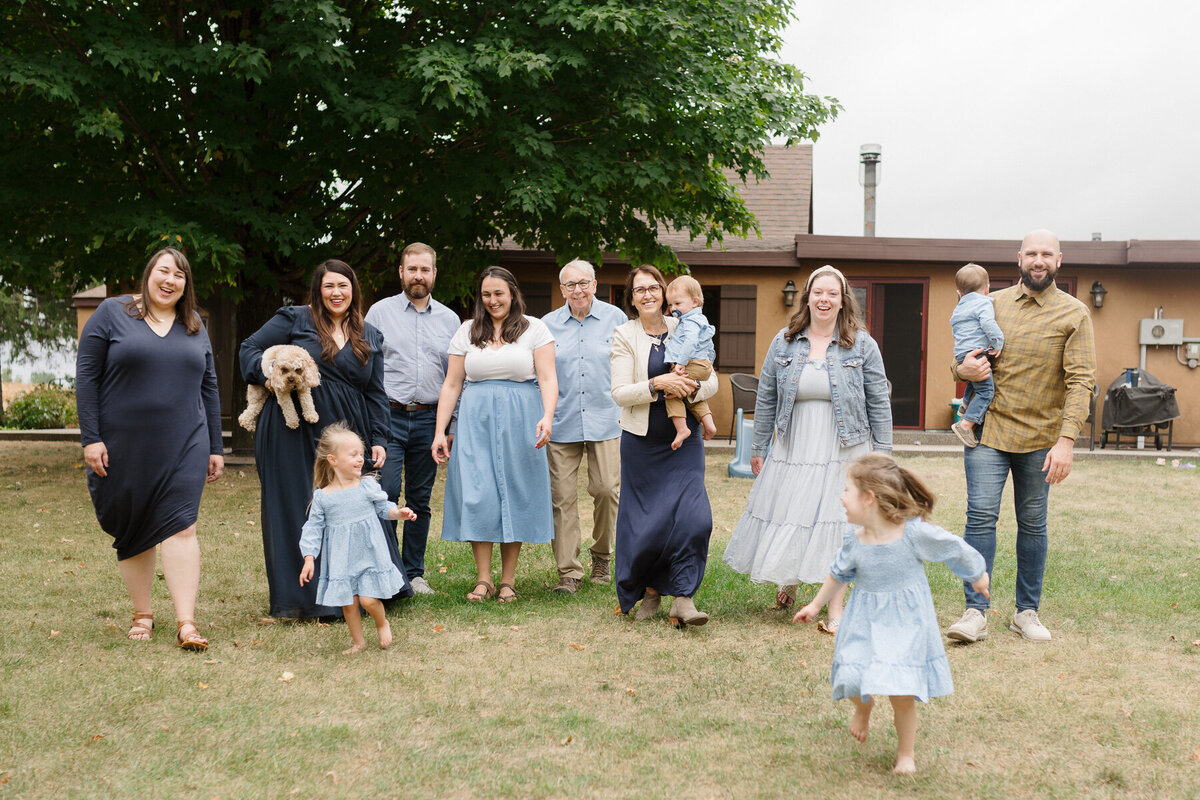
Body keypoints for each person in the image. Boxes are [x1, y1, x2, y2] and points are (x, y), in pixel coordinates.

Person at [794, 453, 990, 776]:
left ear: (869, 499)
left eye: (847, 491)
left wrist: (977, 573)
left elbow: (951, 546)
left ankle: (906, 754)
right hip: (864, 620)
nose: (841, 498)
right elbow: (838, 573)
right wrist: (815, 605)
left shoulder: (912, 534)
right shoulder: (854, 541)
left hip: (906, 625)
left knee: (902, 694)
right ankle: (863, 708)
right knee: (852, 674)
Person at [946, 229, 1095, 643]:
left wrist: (1066, 442)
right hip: (989, 434)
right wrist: (962, 371)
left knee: (1032, 525)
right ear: (1019, 258)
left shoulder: (1075, 314)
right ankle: (974, 612)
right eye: (1032, 253)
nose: (1039, 260)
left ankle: (1025, 612)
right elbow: (959, 358)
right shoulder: (988, 303)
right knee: (979, 520)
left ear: (1059, 260)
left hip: (1041, 439)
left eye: (1047, 253)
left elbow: (1081, 381)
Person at [723, 265, 892, 631]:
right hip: (795, 443)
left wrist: (884, 452)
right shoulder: (784, 340)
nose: (825, 299)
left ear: (843, 300)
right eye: (819, 292)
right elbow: (766, 394)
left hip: (845, 444)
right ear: (808, 298)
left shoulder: (862, 344)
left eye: (833, 293)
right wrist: (759, 444)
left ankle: (834, 610)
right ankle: (789, 577)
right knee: (794, 512)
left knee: (836, 521)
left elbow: (879, 399)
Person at [240, 259, 410, 619]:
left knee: (355, 505)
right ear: (318, 290)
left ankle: (367, 589)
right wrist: (274, 371)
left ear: (354, 290)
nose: (336, 293)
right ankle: (302, 597)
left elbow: (376, 391)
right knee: (298, 505)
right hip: (292, 428)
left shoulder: (370, 334)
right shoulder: (295, 319)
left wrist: (379, 437)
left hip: (348, 430)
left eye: (343, 286)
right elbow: (248, 350)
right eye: (329, 286)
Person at [76, 247, 224, 651]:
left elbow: (209, 386)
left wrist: (216, 445)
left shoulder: (194, 324)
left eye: (179, 275)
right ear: (149, 274)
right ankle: (142, 613)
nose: (170, 280)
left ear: (185, 285)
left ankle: (186, 623)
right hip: (124, 442)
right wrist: (91, 437)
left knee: (182, 525)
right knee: (134, 527)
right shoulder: (112, 312)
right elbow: (86, 377)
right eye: (164, 271)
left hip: (185, 441)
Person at [432, 266, 557, 603]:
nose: (492, 300)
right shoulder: (468, 330)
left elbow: (547, 378)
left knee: (514, 491)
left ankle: (508, 581)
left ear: (513, 293)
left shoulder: (535, 329)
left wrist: (547, 416)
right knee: (479, 493)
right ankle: (483, 579)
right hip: (476, 420)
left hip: (521, 418)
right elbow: (452, 383)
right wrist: (440, 431)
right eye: (486, 294)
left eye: (498, 293)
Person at [610, 265, 720, 627]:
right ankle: (652, 591)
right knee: (648, 523)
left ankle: (684, 598)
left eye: (653, 287)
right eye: (639, 289)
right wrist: (658, 384)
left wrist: (688, 388)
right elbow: (620, 393)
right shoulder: (624, 335)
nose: (647, 294)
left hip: (683, 440)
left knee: (694, 518)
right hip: (641, 442)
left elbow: (712, 380)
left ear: (664, 292)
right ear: (632, 298)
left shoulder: (685, 323)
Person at [365, 242, 461, 595]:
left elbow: (456, 376)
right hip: (386, 417)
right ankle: (386, 570)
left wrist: (450, 426)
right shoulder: (378, 313)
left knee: (420, 499)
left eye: (425, 270)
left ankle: (413, 573)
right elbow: (366, 368)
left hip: (430, 421)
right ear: (401, 273)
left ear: (434, 274)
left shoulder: (450, 319)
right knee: (385, 492)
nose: (418, 276)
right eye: (412, 269)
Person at [540, 259, 629, 594]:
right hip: (561, 422)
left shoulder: (616, 319)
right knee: (561, 498)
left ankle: (602, 556)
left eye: (583, 283)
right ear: (562, 289)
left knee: (607, 490)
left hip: (607, 419)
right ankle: (569, 572)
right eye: (570, 285)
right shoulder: (547, 325)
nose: (577, 290)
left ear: (595, 283)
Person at [299, 423, 417, 654]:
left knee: (368, 600)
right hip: (341, 558)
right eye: (352, 454)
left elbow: (385, 509)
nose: (360, 459)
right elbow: (313, 527)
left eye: (361, 453)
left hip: (369, 552)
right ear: (332, 460)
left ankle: (382, 623)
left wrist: (398, 513)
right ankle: (358, 642)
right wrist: (309, 557)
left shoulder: (367, 486)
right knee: (349, 603)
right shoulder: (323, 496)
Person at [949, 263, 1004, 448]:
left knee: (975, 380)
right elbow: (988, 323)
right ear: (987, 289)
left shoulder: (959, 307)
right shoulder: (983, 303)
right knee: (986, 391)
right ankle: (966, 425)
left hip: (962, 352)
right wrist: (998, 342)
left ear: (959, 293)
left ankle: (965, 405)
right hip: (979, 350)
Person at [663, 275, 718, 449]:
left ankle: (682, 429)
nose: (673, 309)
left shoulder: (690, 321)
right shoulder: (699, 319)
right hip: (702, 363)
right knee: (689, 395)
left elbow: (690, 342)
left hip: (692, 362)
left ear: (694, 302)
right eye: (671, 305)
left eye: (678, 304)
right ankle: (708, 423)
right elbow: (710, 348)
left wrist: (680, 362)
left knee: (671, 388)